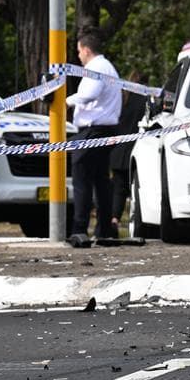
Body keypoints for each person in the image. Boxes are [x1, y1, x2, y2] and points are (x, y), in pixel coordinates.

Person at [66, 27, 122, 239]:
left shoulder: (96, 68)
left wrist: (66, 102)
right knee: (101, 181)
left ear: (86, 50)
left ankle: (79, 230)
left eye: (79, 52)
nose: (78, 56)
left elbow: (89, 94)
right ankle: (104, 230)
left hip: (94, 131)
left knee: (82, 180)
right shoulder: (108, 67)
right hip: (104, 130)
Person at [109, 70, 148, 237]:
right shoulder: (146, 100)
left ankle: (114, 220)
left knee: (119, 188)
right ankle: (137, 221)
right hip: (136, 151)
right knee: (136, 189)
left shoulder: (121, 99)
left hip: (117, 152)